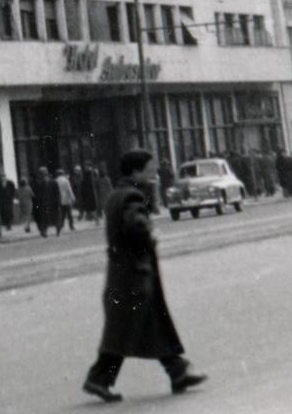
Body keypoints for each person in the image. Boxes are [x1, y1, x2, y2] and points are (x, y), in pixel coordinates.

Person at [82, 148, 207, 403]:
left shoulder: (116, 194)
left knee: (150, 325)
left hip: (125, 275)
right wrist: (149, 233)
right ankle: (99, 379)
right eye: (149, 169)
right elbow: (134, 224)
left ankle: (178, 371)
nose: (154, 173)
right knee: (124, 331)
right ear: (136, 171)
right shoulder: (132, 196)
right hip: (134, 276)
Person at [34, 166, 60, 238]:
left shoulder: (53, 182)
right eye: (41, 173)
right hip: (44, 204)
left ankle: (58, 229)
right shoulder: (40, 183)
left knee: (54, 218)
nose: (42, 175)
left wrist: (57, 202)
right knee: (44, 218)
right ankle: (44, 231)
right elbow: (38, 194)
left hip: (52, 203)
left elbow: (57, 193)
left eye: (43, 173)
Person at [55, 168, 76, 232]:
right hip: (67, 199)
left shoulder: (55, 181)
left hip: (59, 199)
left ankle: (61, 226)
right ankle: (71, 226)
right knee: (69, 214)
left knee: (61, 214)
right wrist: (73, 197)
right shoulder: (66, 180)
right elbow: (69, 189)